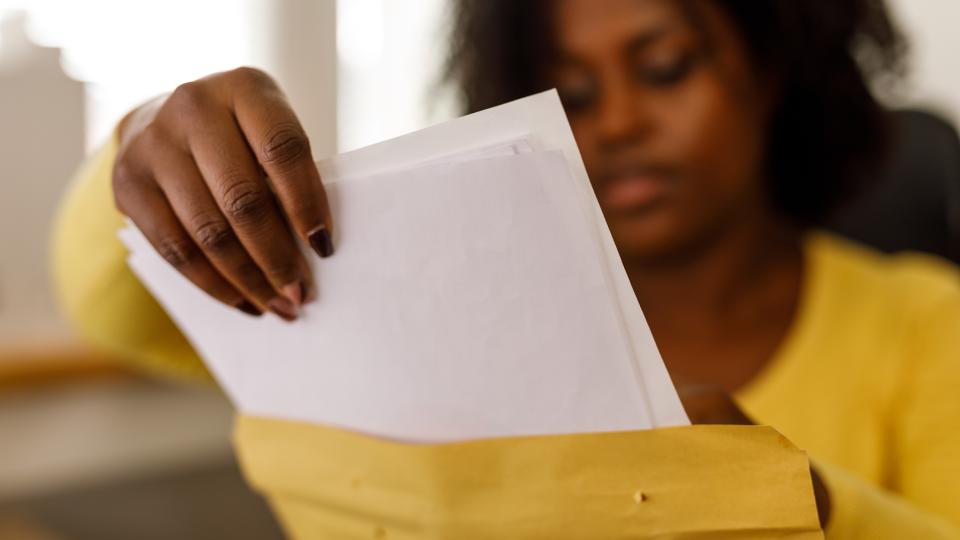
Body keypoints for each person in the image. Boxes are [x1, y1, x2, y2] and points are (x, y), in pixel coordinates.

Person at [52, 0, 960, 537]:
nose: (619, 124)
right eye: (576, 93)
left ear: (775, 69)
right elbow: (112, 314)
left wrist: (803, 506)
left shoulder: (926, 330)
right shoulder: (441, 306)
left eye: (668, 68)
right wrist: (145, 139)